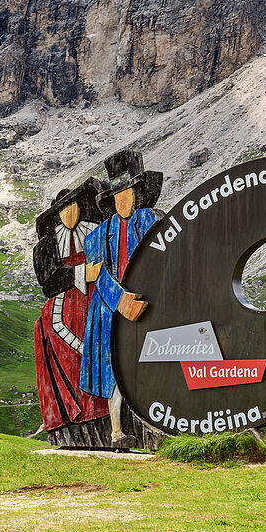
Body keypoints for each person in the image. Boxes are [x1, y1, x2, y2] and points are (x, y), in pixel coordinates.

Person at [81, 148, 163, 449]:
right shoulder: (97, 237)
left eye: (127, 193)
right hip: (110, 309)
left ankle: (156, 421)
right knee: (114, 366)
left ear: (136, 194)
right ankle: (116, 429)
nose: (123, 200)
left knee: (152, 360)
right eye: (117, 196)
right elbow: (99, 276)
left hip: (148, 302)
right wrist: (121, 301)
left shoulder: (152, 221)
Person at [33, 178, 109, 433]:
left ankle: (102, 408)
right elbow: (47, 282)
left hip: (94, 297)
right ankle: (70, 410)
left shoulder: (95, 230)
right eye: (63, 210)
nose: (69, 213)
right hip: (65, 302)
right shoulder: (49, 243)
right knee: (59, 338)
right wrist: (80, 274)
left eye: (73, 206)